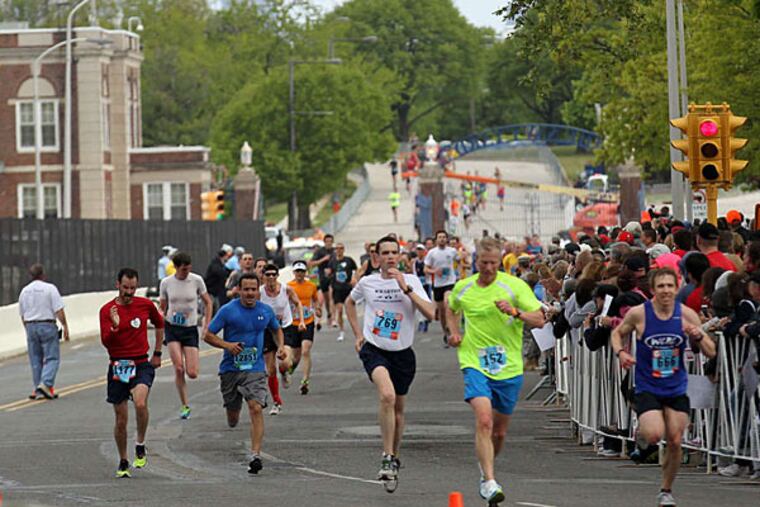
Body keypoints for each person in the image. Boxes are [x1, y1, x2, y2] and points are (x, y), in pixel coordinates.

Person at [445, 237, 545, 505]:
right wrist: (454, 332)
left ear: (500, 261)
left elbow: (539, 319)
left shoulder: (514, 286)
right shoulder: (464, 288)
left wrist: (515, 312)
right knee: (484, 420)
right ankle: (489, 480)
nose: (488, 268)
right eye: (483, 262)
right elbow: (450, 307)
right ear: (475, 261)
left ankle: (486, 466)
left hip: (508, 366)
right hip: (474, 361)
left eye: (492, 263)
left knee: (499, 432)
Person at [611, 268, 716, 507]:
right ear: (652, 290)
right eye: (661, 286)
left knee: (676, 440)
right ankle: (642, 434)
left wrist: (697, 336)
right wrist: (621, 353)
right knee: (655, 434)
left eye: (670, 286)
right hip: (648, 385)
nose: (666, 291)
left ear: (676, 288)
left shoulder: (687, 315)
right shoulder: (640, 314)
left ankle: (666, 490)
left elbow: (711, 351)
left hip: (676, 387)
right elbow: (617, 334)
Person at [345, 235, 435, 482]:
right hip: (375, 348)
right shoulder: (368, 282)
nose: (390, 257)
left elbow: (431, 314)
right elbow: (349, 303)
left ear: (400, 255)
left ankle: (394, 455)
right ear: (377, 258)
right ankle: (386, 454)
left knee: (398, 409)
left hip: (403, 352)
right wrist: (357, 334)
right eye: (385, 253)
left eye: (394, 252)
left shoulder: (412, 281)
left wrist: (405, 288)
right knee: (387, 395)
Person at [203, 273, 286, 475]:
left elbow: (276, 329)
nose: (250, 293)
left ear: (258, 290)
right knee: (233, 417)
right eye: (246, 289)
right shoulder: (228, 311)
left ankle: (255, 455)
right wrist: (227, 345)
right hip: (231, 370)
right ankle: (232, 411)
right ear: (239, 290)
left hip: (255, 368)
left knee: (256, 407)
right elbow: (208, 335)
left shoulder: (265, 311)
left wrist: (281, 347)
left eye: (253, 289)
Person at [99, 268, 164, 478]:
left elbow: (160, 323)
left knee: (140, 403)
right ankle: (123, 460)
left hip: (141, 363)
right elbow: (105, 342)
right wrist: (116, 327)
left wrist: (157, 352)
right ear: (117, 284)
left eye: (133, 288)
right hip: (118, 366)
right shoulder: (107, 310)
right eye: (126, 288)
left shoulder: (144, 305)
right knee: (121, 419)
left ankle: (140, 443)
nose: (129, 293)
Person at [159, 251, 213, 419]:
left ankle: (186, 399)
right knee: (179, 368)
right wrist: (160, 323)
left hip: (190, 329)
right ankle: (185, 405)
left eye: (188, 269)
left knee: (192, 372)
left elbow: (208, 302)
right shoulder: (166, 283)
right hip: (172, 327)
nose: (186, 272)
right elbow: (162, 307)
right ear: (175, 267)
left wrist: (206, 324)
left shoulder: (196, 280)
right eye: (183, 270)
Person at [19, 263, 70, 400]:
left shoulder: (24, 291)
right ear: (43, 275)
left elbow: (22, 314)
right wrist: (65, 326)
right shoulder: (50, 289)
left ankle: (38, 389)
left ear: (31, 276)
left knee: (35, 359)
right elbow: (58, 309)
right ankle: (46, 383)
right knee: (52, 357)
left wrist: (28, 329)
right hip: (47, 325)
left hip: (30, 325)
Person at [260, 264, 301, 414]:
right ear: (263, 276)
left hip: (286, 328)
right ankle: (276, 402)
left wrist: (301, 320)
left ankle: (285, 372)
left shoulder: (286, 289)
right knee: (270, 370)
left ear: (277, 276)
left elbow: (297, 303)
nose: (271, 277)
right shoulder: (259, 293)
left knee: (284, 362)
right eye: (268, 274)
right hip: (267, 331)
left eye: (273, 274)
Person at [287, 261, 321, 394]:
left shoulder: (311, 286)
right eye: (297, 271)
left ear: (305, 272)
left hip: (307, 321)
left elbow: (315, 299)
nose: (300, 274)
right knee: (296, 356)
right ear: (294, 272)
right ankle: (291, 369)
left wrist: (317, 309)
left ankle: (305, 381)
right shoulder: (288, 286)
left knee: (305, 350)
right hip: (293, 323)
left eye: (302, 271)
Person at [424, 230, 460, 346]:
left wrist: (461, 262)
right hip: (438, 284)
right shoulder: (432, 253)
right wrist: (435, 271)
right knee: (442, 312)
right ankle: (446, 332)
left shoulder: (452, 251)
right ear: (436, 240)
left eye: (444, 237)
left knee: (447, 302)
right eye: (440, 237)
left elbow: (459, 260)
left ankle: (453, 328)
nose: (442, 239)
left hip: (450, 282)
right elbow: (426, 269)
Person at [328, 243, 357, 342]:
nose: (339, 250)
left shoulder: (349, 260)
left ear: (344, 249)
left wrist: (354, 278)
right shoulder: (332, 261)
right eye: (337, 248)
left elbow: (355, 270)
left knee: (350, 312)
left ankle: (356, 330)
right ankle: (341, 331)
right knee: (339, 310)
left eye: (341, 248)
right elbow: (329, 273)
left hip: (347, 288)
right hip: (337, 289)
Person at [310, 234, 335, 328]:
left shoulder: (335, 251)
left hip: (333, 278)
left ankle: (333, 319)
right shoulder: (320, 252)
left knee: (332, 296)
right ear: (324, 242)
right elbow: (311, 263)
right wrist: (324, 259)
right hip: (322, 279)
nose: (329, 243)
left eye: (330, 241)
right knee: (325, 300)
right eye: (327, 241)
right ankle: (328, 314)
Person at [205, 245, 233, 313]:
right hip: (211, 292)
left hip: (215, 292)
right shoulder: (216, 264)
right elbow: (220, 272)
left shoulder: (219, 264)